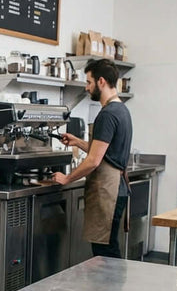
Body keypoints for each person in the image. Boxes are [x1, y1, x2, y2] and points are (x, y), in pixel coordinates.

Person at [53, 59, 133, 258]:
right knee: (109, 249)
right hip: (117, 188)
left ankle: (107, 290)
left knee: (105, 253)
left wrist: (66, 178)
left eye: (89, 82)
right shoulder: (121, 110)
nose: (87, 88)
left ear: (101, 82)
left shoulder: (107, 114)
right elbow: (104, 150)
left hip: (108, 190)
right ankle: (110, 289)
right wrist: (78, 142)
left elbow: (94, 160)